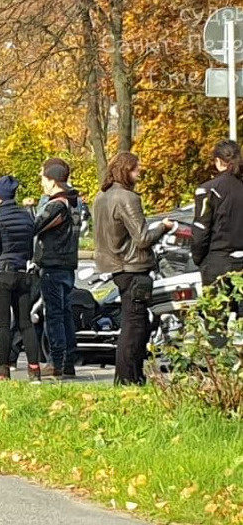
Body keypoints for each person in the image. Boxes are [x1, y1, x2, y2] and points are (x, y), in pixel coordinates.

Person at [94, 152, 175, 386]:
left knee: (131, 324)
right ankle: (128, 379)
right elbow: (142, 238)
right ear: (124, 171)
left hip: (115, 265)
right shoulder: (128, 198)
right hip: (133, 266)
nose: (139, 173)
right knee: (135, 326)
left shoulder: (101, 196)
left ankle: (129, 377)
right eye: (135, 169)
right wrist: (163, 227)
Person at [0, 175, 39, 381]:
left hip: (0, 274)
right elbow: (30, 250)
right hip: (22, 273)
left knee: (2, 324)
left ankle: (2, 370)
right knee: (25, 323)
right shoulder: (26, 217)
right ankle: (34, 370)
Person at [33, 158, 80, 380]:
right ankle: (69, 362)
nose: (41, 182)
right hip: (68, 265)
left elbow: (35, 225)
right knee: (65, 314)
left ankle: (56, 362)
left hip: (52, 264)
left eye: (43, 178)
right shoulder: (75, 202)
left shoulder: (56, 205)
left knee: (53, 316)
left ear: (52, 180)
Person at [191, 139, 243, 286]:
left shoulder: (208, 190)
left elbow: (201, 230)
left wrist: (198, 258)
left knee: (217, 308)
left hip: (218, 262)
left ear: (218, 161)